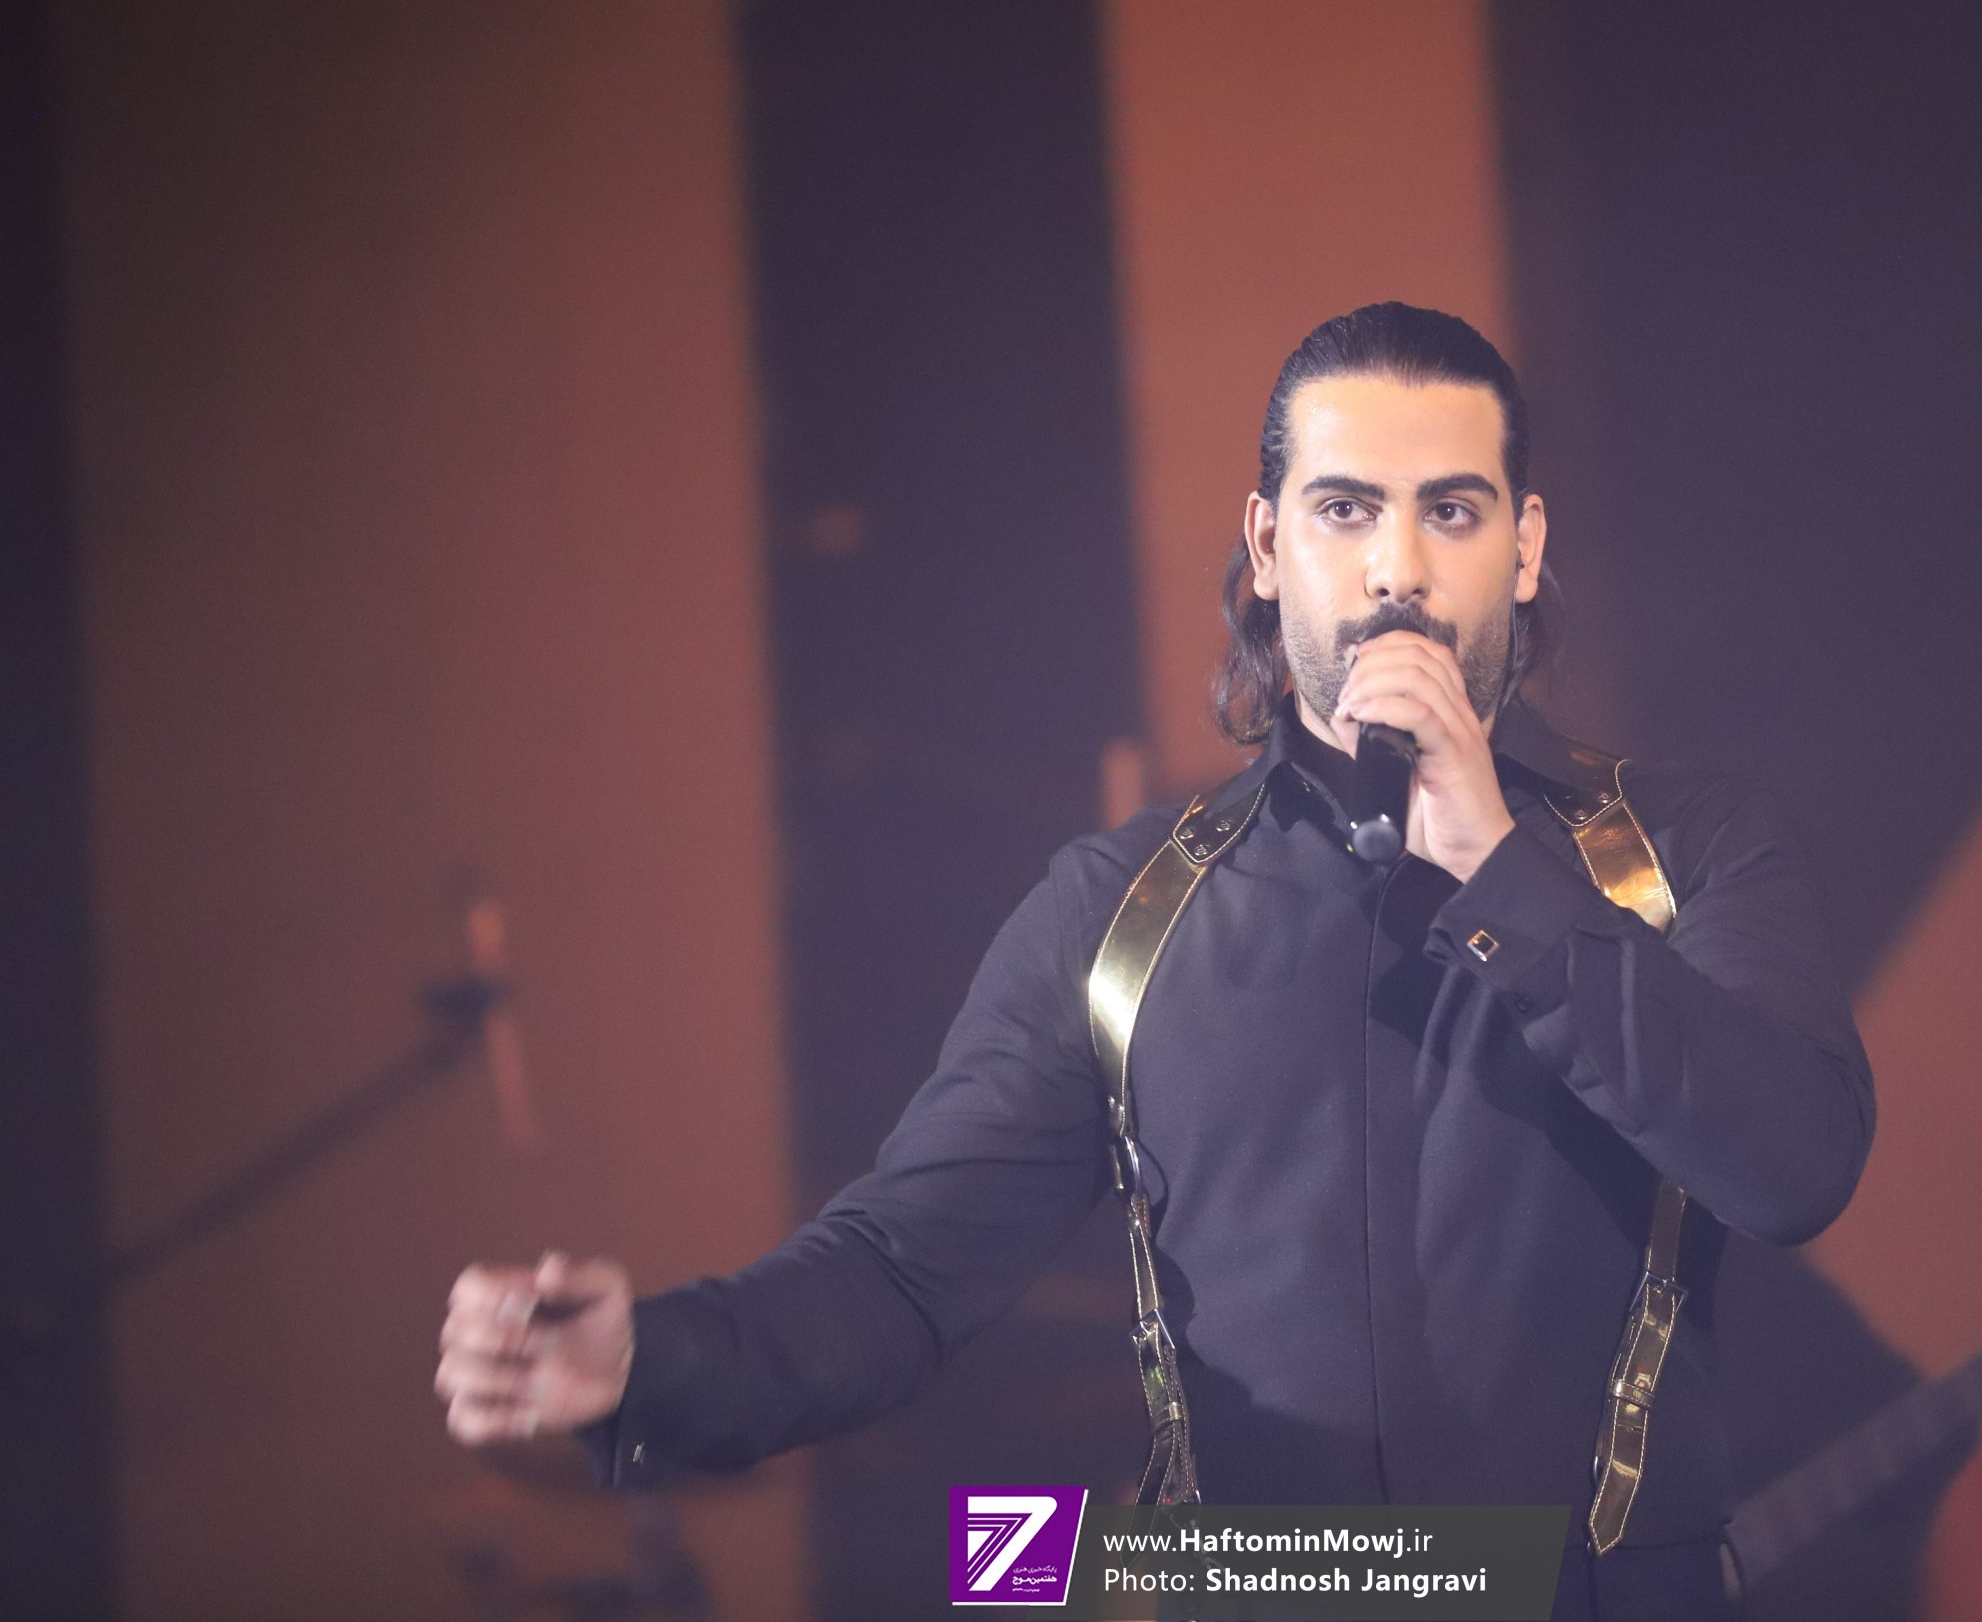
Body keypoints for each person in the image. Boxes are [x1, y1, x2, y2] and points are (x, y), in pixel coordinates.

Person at [435, 303, 1874, 1619]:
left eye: (1451, 510)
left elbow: (1795, 1163)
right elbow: (902, 1272)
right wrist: (647, 1365)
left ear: (1528, 546)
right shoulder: (1122, 908)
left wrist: (1499, 866)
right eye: (1344, 509)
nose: (1399, 568)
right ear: (1267, 546)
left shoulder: (1686, 848)